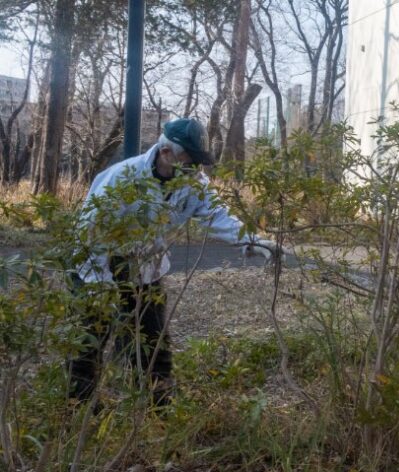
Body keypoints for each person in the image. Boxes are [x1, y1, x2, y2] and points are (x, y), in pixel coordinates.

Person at [67, 117, 280, 406]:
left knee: (154, 340)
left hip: (145, 265)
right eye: (190, 161)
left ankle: (159, 403)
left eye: (198, 163)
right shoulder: (121, 178)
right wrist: (101, 286)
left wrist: (253, 243)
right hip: (96, 261)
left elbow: (218, 216)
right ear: (166, 153)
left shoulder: (193, 183)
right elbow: (91, 231)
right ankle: (79, 406)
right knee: (90, 338)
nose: (196, 170)